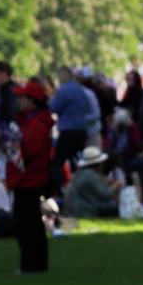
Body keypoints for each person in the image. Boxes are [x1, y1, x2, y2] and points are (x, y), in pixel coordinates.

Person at [6, 80, 53, 273]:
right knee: (30, 223)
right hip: (30, 178)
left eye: (22, 97)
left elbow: (29, 151)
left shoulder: (36, 124)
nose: (19, 100)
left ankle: (31, 265)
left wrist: (11, 144)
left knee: (27, 225)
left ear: (32, 100)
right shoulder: (33, 121)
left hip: (29, 179)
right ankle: (36, 264)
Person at [49, 67, 94, 198]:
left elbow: (54, 108)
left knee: (57, 163)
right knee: (78, 162)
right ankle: (81, 190)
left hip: (68, 130)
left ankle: (60, 192)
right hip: (82, 130)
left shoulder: (64, 89)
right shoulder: (80, 89)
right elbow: (87, 109)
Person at [65, 146, 120, 218]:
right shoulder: (91, 176)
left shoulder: (82, 173)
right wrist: (116, 185)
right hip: (85, 211)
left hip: (76, 209)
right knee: (112, 205)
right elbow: (106, 195)